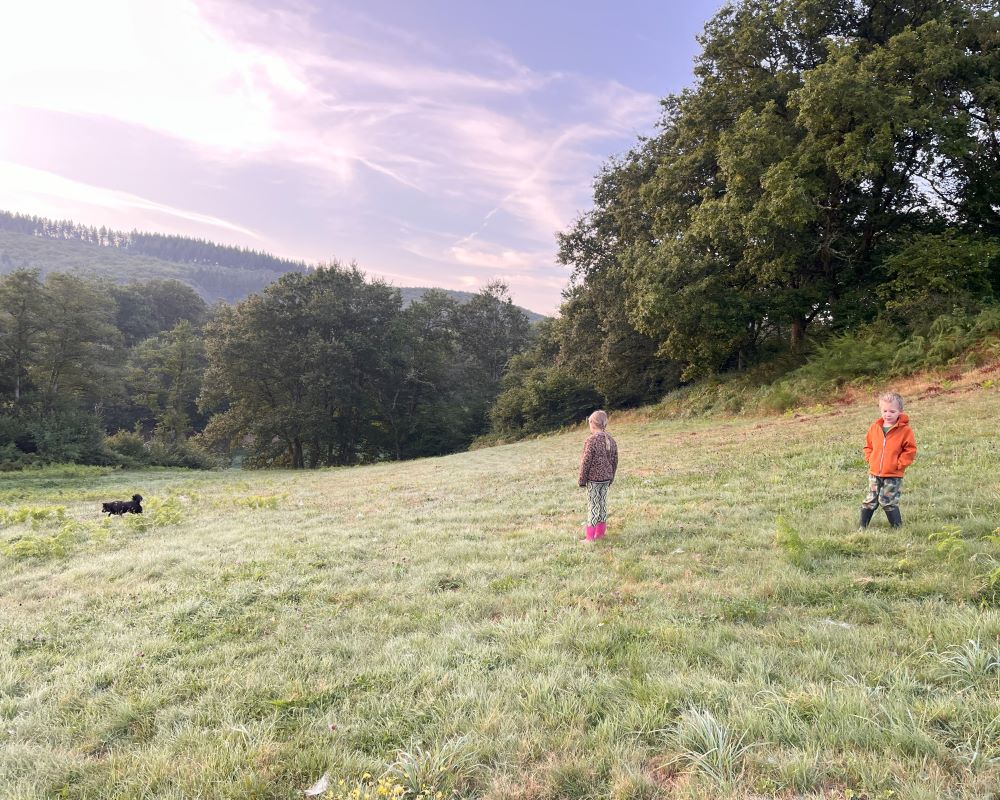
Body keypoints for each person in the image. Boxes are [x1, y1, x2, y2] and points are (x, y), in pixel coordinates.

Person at [860, 391, 917, 529]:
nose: (888, 414)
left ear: (900, 411)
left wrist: (899, 464)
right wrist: (870, 459)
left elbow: (910, 450)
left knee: (888, 501)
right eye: (885, 411)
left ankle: (897, 528)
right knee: (870, 499)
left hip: (893, 474)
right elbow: (868, 446)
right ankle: (862, 527)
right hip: (874, 473)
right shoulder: (875, 428)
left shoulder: (905, 430)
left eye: (892, 411)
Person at [578, 409, 619, 541]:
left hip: (594, 480)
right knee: (602, 505)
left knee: (593, 506)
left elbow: (586, 462)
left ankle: (590, 538)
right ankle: (600, 534)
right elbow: (614, 461)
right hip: (606, 479)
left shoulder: (591, 440)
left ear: (591, 423)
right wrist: (611, 477)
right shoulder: (611, 440)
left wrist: (582, 480)